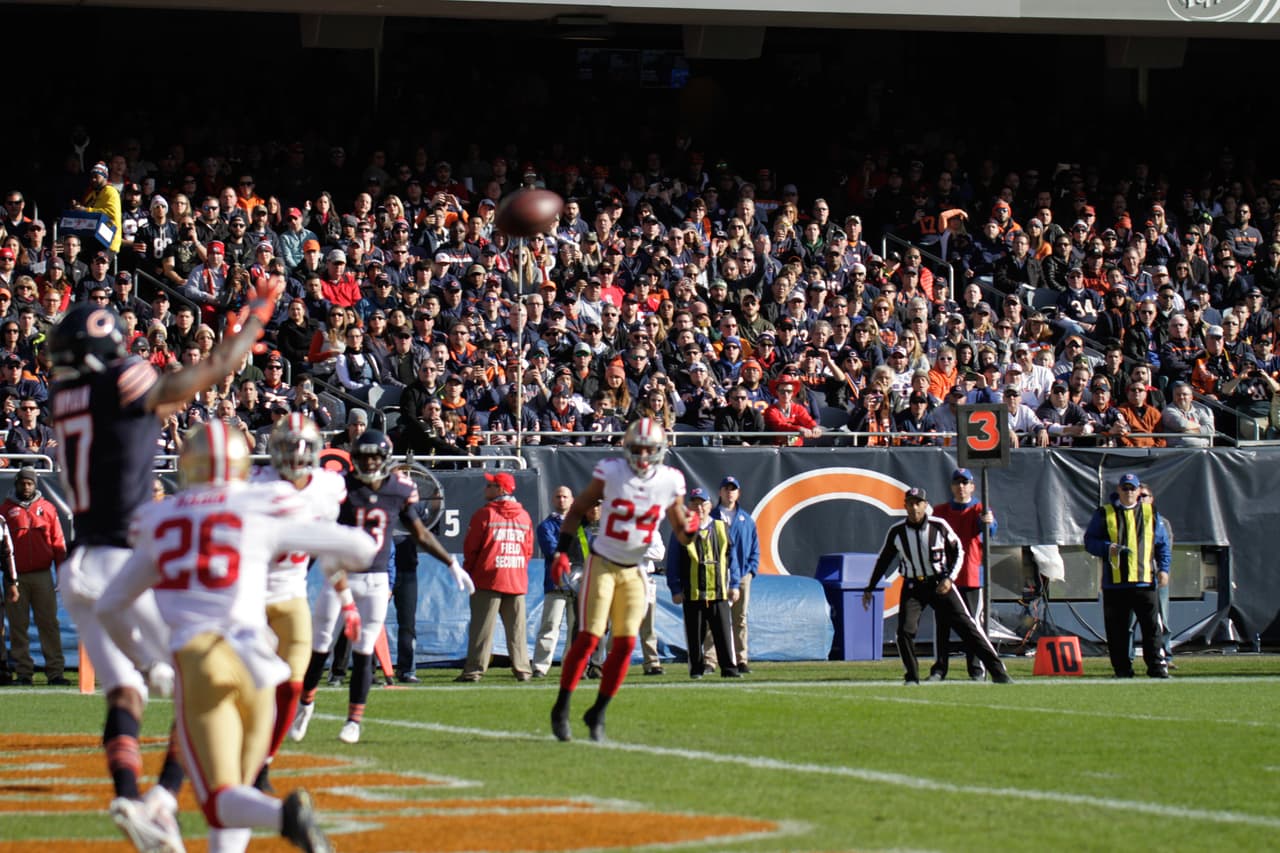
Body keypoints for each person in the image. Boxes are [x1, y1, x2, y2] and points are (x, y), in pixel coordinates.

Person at [50, 274, 282, 850]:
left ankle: (129, 795)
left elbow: (151, 403)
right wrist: (253, 321)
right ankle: (163, 797)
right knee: (198, 684)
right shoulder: (123, 378)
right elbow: (209, 372)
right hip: (119, 562)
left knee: (125, 692)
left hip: (78, 567)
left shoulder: (64, 397)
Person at [95, 421, 377, 853]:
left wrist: (148, 659)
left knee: (219, 801)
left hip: (202, 656)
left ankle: (285, 814)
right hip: (259, 660)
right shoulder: (261, 505)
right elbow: (361, 548)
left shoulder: (161, 516)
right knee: (240, 789)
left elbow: (110, 605)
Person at [291, 430, 473, 745]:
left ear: (385, 459)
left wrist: (450, 563)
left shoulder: (398, 489)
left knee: (364, 650)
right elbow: (322, 535)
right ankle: (305, 705)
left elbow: (419, 532)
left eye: (375, 457)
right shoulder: (341, 487)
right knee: (320, 646)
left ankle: (353, 721)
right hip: (340, 576)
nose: (370, 463)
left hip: (375, 580)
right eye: (364, 458)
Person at [547, 417, 700, 742]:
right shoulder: (611, 471)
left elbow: (682, 534)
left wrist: (691, 530)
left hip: (636, 570)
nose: (642, 456)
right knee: (589, 637)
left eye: (649, 449)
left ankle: (598, 712)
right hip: (602, 563)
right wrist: (561, 551)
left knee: (627, 644)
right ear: (627, 448)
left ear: (660, 450)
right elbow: (577, 509)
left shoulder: (671, 481)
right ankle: (561, 706)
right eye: (637, 449)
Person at [249, 413, 350, 794]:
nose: (296, 454)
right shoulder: (255, 486)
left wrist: (347, 600)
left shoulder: (327, 487)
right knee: (248, 686)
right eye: (289, 446)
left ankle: (263, 765)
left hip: (291, 595)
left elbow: (329, 548)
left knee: (292, 686)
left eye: (303, 446)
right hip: (249, 598)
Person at [861, 487, 1012, 685]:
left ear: (925, 505)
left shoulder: (938, 526)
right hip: (913, 586)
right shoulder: (897, 531)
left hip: (939, 583)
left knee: (967, 627)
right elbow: (884, 560)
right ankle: (912, 677)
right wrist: (870, 587)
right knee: (905, 631)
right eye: (910, 504)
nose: (914, 508)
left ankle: (998, 672)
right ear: (905, 506)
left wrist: (949, 578)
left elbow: (959, 551)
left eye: (918, 503)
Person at [1083, 472, 1171, 679]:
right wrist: (1107, 547)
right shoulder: (1105, 513)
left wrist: (1164, 569)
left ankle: (1157, 668)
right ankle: (1122, 670)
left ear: (1139, 491)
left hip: (1144, 581)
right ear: (1119, 490)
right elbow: (1090, 541)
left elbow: (1163, 544)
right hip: (1116, 583)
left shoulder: (1150, 513)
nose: (1129, 492)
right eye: (1125, 488)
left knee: (1152, 628)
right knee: (1117, 631)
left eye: (1132, 488)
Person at [456, 472, 534, 682]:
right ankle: (522, 670)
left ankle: (474, 671)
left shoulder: (485, 514)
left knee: (481, 629)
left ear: (501, 489)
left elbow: (471, 548)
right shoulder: (524, 516)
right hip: (515, 579)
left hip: (487, 578)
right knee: (517, 631)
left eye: (489, 485)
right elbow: (528, 550)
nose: (485, 488)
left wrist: (469, 572)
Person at [1, 467, 68, 686]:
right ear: (16, 484)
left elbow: (58, 542)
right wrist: (9, 577)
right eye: (23, 483)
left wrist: (62, 573)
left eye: (30, 483)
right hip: (15, 578)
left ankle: (55, 672)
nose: (26, 487)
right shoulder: (5, 510)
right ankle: (23, 672)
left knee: (49, 624)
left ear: (35, 485)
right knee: (17, 627)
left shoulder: (47, 508)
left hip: (42, 575)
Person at [666, 487, 741, 679]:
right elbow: (673, 562)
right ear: (689, 506)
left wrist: (734, 584)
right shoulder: (681, 531)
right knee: (694, 635)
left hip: (718, 591)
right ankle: (696, 669)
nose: (699, 508)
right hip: (693, 592)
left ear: (709, 506)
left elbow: (732, 559)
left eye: (703, 504)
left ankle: (729, 668)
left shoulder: (721, 527)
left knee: (723, 633)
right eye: (695, 504)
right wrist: (675, 588)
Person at [928, 468, 996, 682]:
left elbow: (990, 530)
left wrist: (988, 522)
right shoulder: (940, 511)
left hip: (971, 576)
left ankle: (976, 669)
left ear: (972, 486)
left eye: (965, 483)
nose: (961, 487)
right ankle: (939, 669)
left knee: (973, 625)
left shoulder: (979, 509)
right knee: (942, 624)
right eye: (957, 483)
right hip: (945, 578)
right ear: (951, 486)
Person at [532, 486, 596, 679]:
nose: (561, 500)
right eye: (558, 496)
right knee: (550, 626)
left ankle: (575, 667)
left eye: (565, 497)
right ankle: (540, 667)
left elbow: (589, 551)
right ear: (553, 500)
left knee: (576, 629)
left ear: (572, 500)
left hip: (580, 585)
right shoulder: (546, 526)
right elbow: (553, 551)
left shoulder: (582, 526)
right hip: (557, 584)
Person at [705, 475, 760, 673]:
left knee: (740, 618)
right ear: (720, 492)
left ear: (738, 493)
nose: (729, 492)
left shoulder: (746, 519)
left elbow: (755, 548)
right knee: (713, 619)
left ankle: (741, 659)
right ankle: (710, 660)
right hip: (716, 574)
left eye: (733, 489)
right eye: (726, 489)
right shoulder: (712, 517)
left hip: (742, 574)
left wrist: (750, 571)